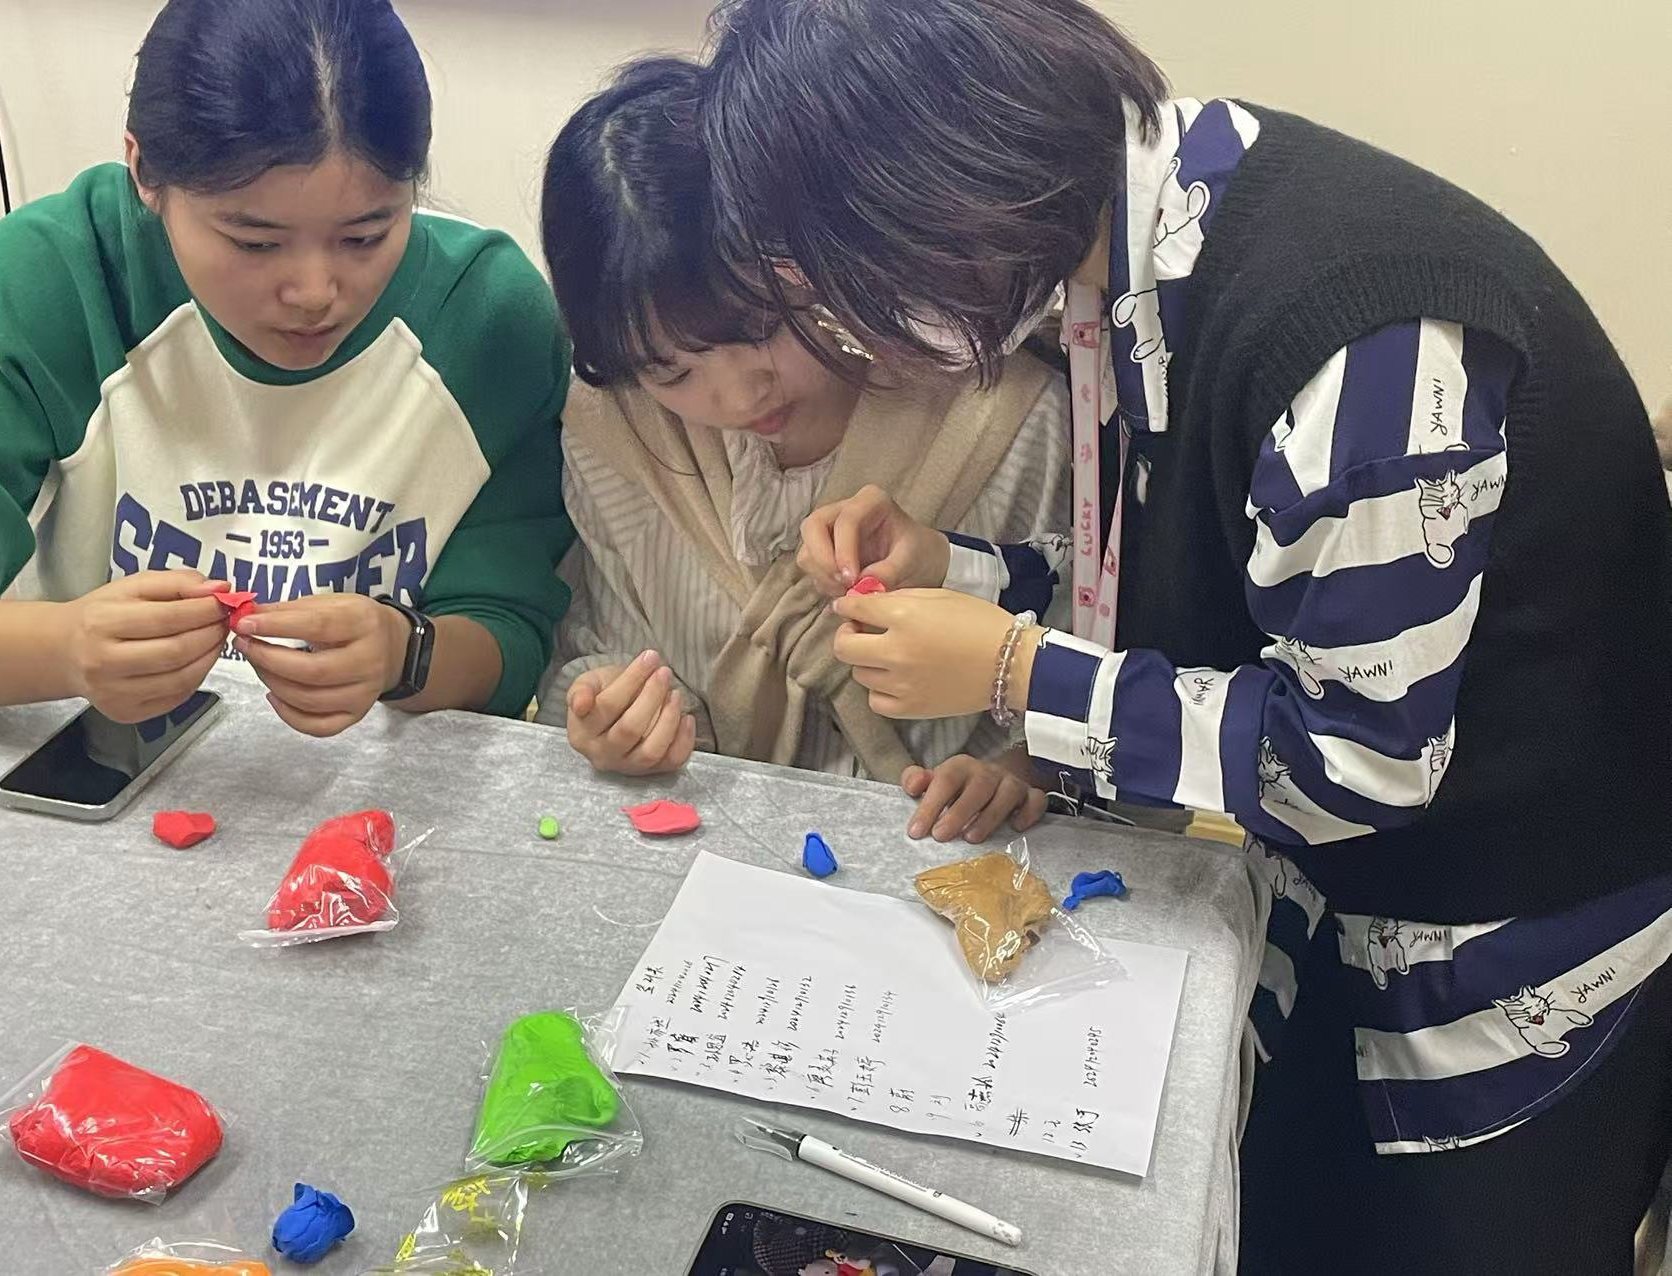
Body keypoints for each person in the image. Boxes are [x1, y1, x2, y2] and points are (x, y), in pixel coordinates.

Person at [699, 1, 1672, 1271]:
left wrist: (1011, 670)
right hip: (1334, 905)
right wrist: (957, 568)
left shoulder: (1353, 351)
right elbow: (1198, 578)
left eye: (847, 292)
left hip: (1513, 948)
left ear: (935, 187)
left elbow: (1356, 758)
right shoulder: (1128, 254)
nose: (854, 335)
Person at [0, 0, 573, 736]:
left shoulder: (487, 320)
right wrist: (65, 651)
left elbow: (509, 637)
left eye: (365, 236)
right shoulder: (52, 281)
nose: (314, 293)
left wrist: (403, 654)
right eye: (255, 243)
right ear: (144, 172)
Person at [537, 58, 1070, 842]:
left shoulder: (1001, 411)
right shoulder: (619, 426)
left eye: (760, 326)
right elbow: (593, 651)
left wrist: (1029, 771)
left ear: (814, 256)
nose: (739, 396)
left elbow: (1097, 666)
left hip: (959, 854)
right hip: (719, 856)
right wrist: (615, 716)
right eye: (673, 372)